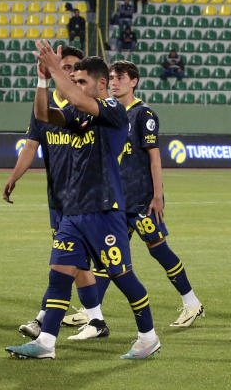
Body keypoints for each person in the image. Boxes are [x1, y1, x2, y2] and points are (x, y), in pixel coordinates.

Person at [5, 43, 160, 360]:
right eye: (74, 82)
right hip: (73, 211)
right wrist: (43, 81)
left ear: (101, 84)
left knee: (122, 275)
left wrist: (56, 69)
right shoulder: (81, 115)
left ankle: (148, 336)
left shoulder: (114, 113)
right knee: (59, 271)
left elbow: (75, 99)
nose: (76, 88)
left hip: (103, 209)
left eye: (82, 82)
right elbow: (43, 114)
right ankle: (46, 342)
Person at [74, 59, 205, 334]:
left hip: (141, 200)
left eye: (120, 77)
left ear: (133, 81)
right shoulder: (109, 112)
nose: (114, 81)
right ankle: (92, 314)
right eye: (111, 77)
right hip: (117, 201)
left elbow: (154, 157)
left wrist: (158, 195)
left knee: (158, 249)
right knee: (107, 257)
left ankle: (191, 302)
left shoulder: (143, 114)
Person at [8, 48, 104, 339]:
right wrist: (14, 177)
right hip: (58, 197)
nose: (69, 73)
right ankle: (96, 321)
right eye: (63, 67)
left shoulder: (89, 107)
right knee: (74, 262)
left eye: (73, 68)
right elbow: (31, 144)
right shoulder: (47, 106)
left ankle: (43, 321)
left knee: (66, 260)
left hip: (86, 199)